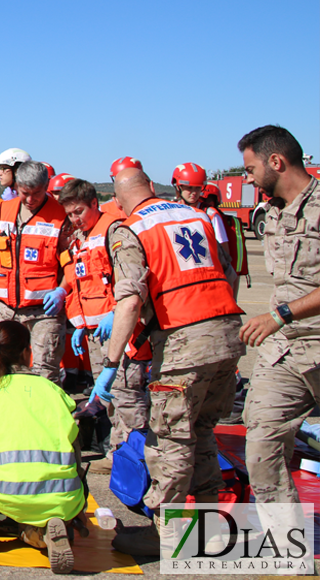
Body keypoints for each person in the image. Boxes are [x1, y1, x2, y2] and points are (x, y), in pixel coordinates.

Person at [99, 168, 244, 555]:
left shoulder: (129, 229)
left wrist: (112, 363)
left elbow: (129, 298)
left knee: (170, 439)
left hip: (184, 345)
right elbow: (228, 275)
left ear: (118, 199)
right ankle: (210, 526)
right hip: (227, 334)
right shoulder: (196, 216)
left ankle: (166, 530)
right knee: (203, 432)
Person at [0, 320, 86, 575]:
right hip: (63, 494)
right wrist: (79, 507)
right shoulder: (54, 391)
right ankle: (40, 532)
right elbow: (75, 452)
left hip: (3, 491)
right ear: (26, 351)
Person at [235, 125, 320, 506]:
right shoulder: (271, 213)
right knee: (262, 441)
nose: (247, 178)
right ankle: (287, 547)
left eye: (250, 169)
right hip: (285, 351)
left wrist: (281, 315)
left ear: (276, 161)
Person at [57, 178, 151, 474]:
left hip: (121, 332)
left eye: (80, 212)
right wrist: (81, 326)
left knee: (126, 394)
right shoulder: (81, 237)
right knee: (107, 397)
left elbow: (130, 280)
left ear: (95, 203)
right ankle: (117, 452)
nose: (75, 219)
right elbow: (85, 284)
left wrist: (115, 314)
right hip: (97, 333)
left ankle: (133, 457)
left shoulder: (114, 231)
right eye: (70, 214)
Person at [0, 161, 71, 384]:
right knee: (6, 370)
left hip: (44, 312)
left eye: (36, 194)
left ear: (46, 186)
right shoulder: (6, 210)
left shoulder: (60, 216)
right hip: (9, 310)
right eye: (24, 193)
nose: (29, 199)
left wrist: (62, 291)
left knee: (44, 371)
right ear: (17, 186)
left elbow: (70, 263)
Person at [173, 162, 231, 257]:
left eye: (198, 188)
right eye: (189, 188)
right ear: (179, 187)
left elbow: (224, 252)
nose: (194, 193)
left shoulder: (211, 215)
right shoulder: (172, 212)